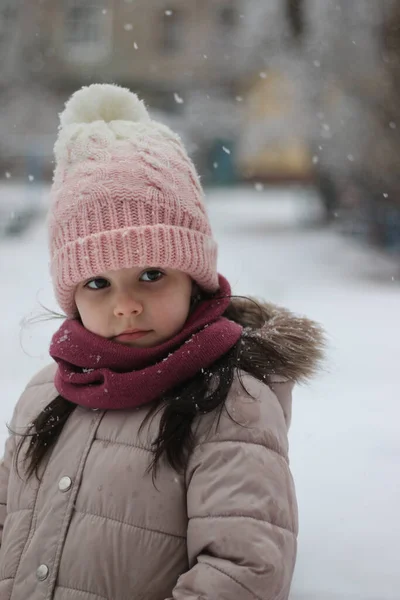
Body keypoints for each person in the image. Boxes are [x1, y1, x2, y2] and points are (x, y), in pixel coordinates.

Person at [0, 84, 325, 600]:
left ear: (193, 277)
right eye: (97, 283)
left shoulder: (230, 404)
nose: (125, 304)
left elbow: (242, 571)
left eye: (151, 273)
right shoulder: (47, 393)